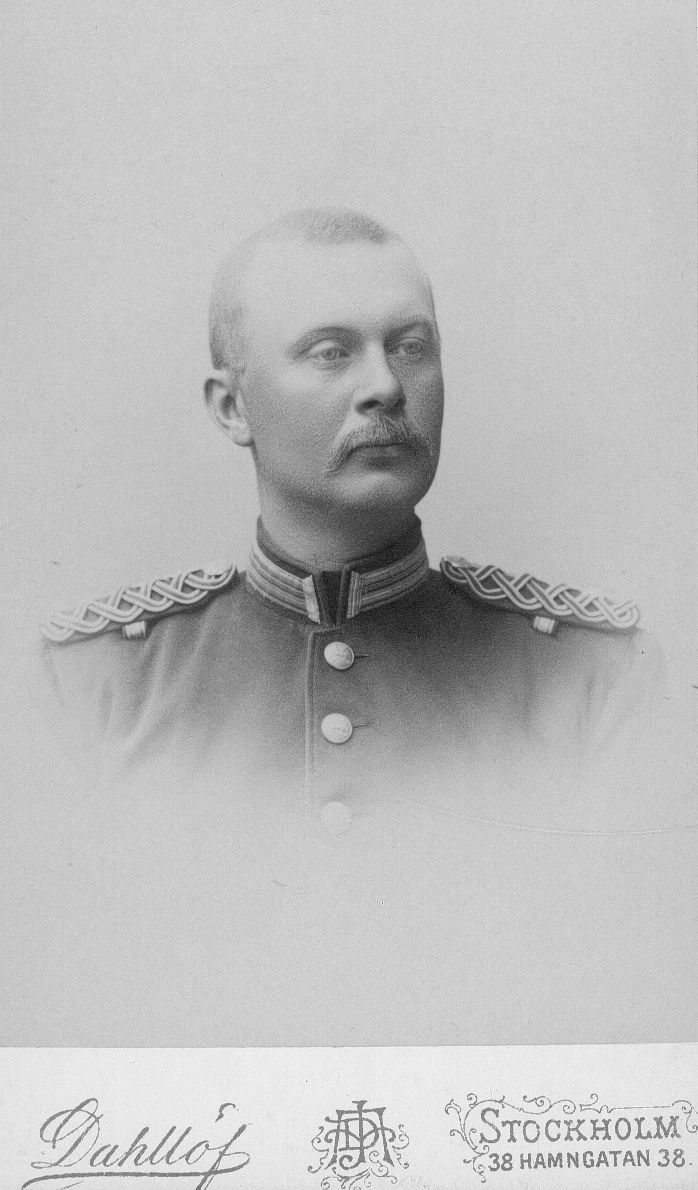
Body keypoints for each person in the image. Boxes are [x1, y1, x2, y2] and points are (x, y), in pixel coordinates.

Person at [25, 208, 694, 1045]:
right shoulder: (94, 687)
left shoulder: (595, 681)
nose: (386, 386)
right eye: (330, 351)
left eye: (410, 346)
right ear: (232, 409)